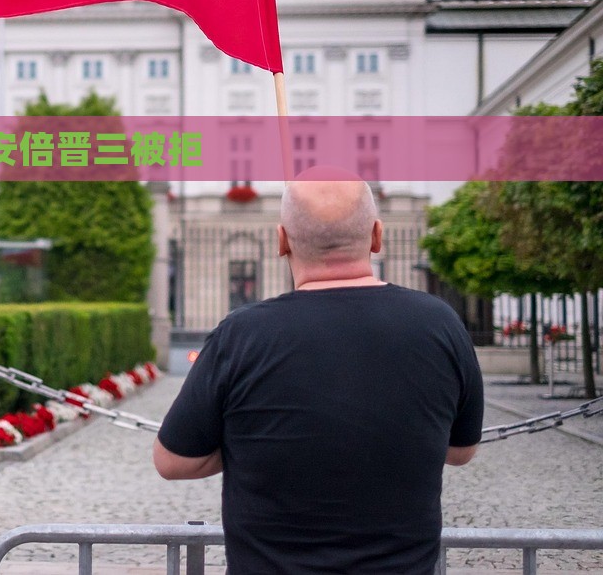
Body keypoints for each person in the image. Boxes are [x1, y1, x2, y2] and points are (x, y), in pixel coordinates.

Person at [153, 168, 484, 574]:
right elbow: (461, 449)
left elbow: (173, 461)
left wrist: (260, 440)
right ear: (377, 236)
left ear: (281, 241)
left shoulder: (241, 334)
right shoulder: (440, 324)